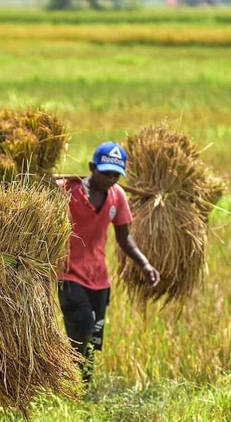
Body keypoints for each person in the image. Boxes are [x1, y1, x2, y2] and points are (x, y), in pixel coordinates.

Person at [57, 142, 160, 383]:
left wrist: (145, 264)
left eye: (116, 174)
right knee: (83, 324)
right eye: (106, 173)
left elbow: (124, 238)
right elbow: (39, 194)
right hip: (68, 273)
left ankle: (82, 387)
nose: (111, 179)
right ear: (92, 167)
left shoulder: (117, 196)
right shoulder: (66, 190)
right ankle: (66, 374)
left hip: (99, 278)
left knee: (92, 338)